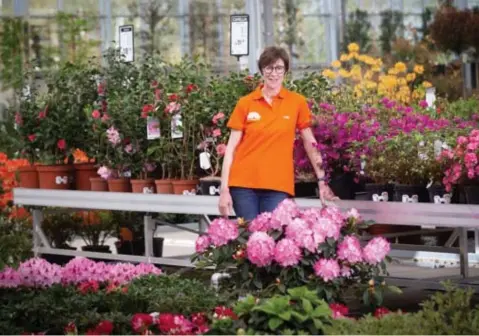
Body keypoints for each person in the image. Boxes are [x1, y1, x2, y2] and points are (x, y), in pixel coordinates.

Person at [218, 46, 338, 220]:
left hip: (278, 186)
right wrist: (224, 190)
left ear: (286, 71)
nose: (274, 73)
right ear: (262, 71)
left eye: (279, 68)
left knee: (271, 237)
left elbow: (310, 142)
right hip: (242, 185)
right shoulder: (246, 103)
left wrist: (322, 181)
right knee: (250, 239)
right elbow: (230, 150)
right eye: (269, 68)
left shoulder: (296, 102)